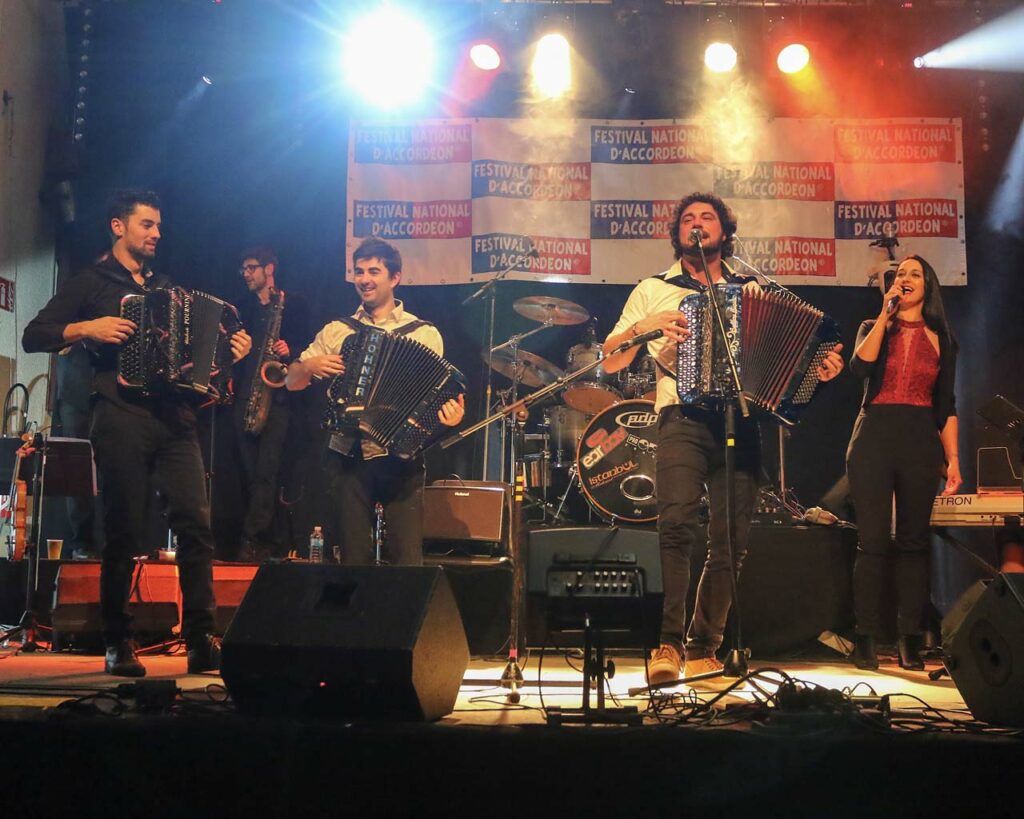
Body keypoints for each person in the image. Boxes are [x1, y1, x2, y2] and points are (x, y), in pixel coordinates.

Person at [601, 192, 845, 686]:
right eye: (687, 219)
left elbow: (796, 356)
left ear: (724, 231)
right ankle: (667, 644)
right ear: (677, 233)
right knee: (675, 528)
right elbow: (610, 360)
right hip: (680, 417)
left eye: (706, 217)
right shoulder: (652, 288)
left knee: (730, 541)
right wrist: (646, 327)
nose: (697, 224)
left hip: (742, 420)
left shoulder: (751, 288)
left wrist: (820, 369)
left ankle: (704, 646)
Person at [22, 189, 252, 677]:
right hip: (120, 414)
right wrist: (89, 327)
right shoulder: (91, 282)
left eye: (158, 226)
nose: (156, 234)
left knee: (196, 525)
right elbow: (34, 333)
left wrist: (233, 349)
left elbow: (200, 362)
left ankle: (200, 638)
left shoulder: (168, 288)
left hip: (174, 420)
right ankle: (117, 640)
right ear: (118, 226)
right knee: (123, 529)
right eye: (147, 224)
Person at [285, 237, 464, 565]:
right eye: (358, 271)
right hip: (348, 455)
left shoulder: (424, 333)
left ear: (394, 278)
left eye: (373, 271)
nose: (364, 278)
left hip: (402, 458)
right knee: (353, 560)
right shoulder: (338, 330)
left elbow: (431, 402)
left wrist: (447, 417)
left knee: (408, 563)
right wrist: (308, 367)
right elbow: (291, 382)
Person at [846, 254, 960, 671]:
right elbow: (860, 366)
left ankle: (909, 638)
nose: (906, 279)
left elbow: (946, 405)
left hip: (919, 440)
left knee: (913, 543)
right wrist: (884, 314)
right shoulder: (874, 326)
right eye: (900, 275)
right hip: (874, 435)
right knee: (872, 542)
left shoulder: (942, 338)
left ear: (928, 286)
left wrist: (954, 459)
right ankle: (865, 638)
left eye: (915, 274)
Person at [231, 247, 308, 561]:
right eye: (244, 269)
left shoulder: (294, 305)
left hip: (278, 400)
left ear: (270, 269)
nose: (247, 274)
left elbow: (310, 351)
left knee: (266, 474)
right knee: (250, 474)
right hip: (246, 396)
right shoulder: (242, 309)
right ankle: (269, 542)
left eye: (252, 267)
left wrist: (292, 347)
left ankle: (251, 541)